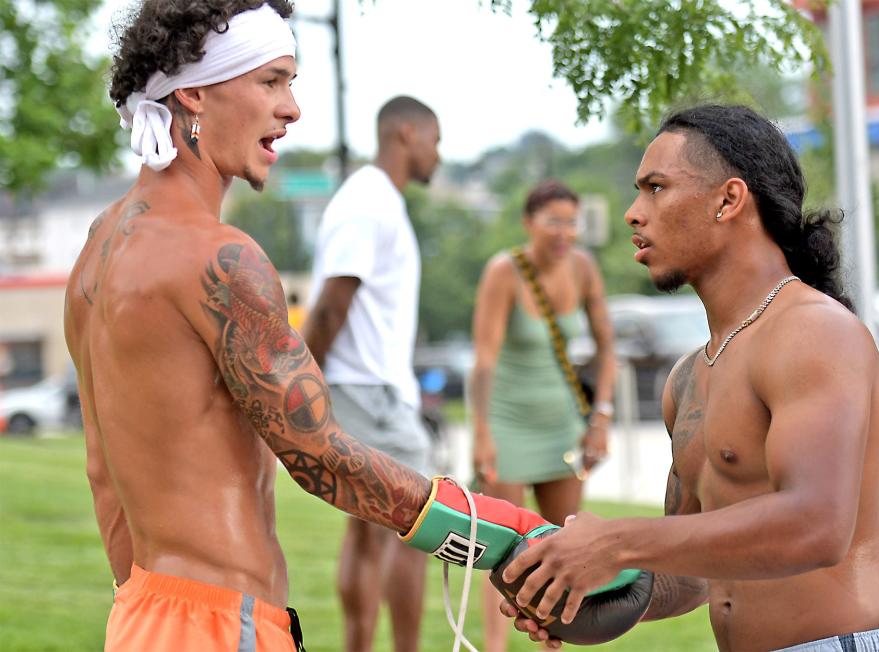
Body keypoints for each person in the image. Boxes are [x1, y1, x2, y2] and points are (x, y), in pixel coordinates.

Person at [64, 4, 562, 650]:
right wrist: (502, 533)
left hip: (138, 616)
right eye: (271, 81)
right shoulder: (221, 257)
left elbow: (103, 471)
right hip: (221, 623)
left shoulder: (96, 251)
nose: (292, 108)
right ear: (193, 93)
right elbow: (320, 454)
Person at [499, 103, 879, 652]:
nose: (633, 213)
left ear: (729, 200)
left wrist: (618, 541)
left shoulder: (813, 331)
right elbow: (693, 572)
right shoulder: (689, 376)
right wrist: (574, 592)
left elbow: (817, 525)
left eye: (656, 187)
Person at [301, 95, 440, 652]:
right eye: (435, 139)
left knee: (366, 532)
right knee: (420, 525)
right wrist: (298, 384)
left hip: (366, 389)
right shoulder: (368, 201)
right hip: (370, 392)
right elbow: (333, 302)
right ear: (407, 133)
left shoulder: (377, 200)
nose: (438, 153)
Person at [469, 179, 616, 651]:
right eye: (553, 221)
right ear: (529, 222)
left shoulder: (584, 268)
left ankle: (554, 644)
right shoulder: (505, 271)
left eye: (571, 222)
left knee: (563, 551)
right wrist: (482, 432)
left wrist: (601, 418)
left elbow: (607, 348)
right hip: (509, 426)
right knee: (504, 555)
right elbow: (484, 359)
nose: (563, 232)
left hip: (562, 427)